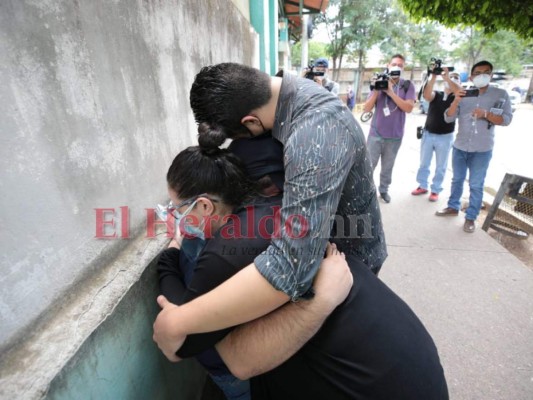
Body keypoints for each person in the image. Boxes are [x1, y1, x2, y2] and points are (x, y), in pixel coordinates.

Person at [157, 135, 449, 399]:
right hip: (407, 363)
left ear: (206, 206)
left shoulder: (227, 253)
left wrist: (169, 259)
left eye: (177, 209)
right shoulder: (283, 205)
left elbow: (185, 342)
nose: (175, 218)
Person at [153, 62, 387, 363]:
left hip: (347, 264)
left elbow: (290, 267)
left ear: (251, 122)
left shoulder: (314, 133)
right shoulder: (286, 94)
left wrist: (179, 320)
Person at [436, 61, 513, 232]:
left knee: (476, 184)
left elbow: (506, 120)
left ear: (491, 75)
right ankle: (452, 206)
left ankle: (471, 217)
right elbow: (448, 118)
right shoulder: (464, 93)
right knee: (456, 179)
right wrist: (456, 100)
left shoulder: (501, 94)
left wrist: (486, 114)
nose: (482, 75)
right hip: (460, 146)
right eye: (478, 72)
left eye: (486, 72)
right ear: (471, 76)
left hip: (482, 149)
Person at [363, 54, 416, 203]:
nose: (396, 67)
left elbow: (409, 107)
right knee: (368, 166)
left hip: (394, 136)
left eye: (400, 65)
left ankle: (384, 190)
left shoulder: (407, 85)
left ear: (403, 67)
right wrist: (378, 89)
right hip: (375, 134)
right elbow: (366, 109)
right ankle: (364, 190)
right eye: (394, 64)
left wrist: (390, 92)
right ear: (388, 65)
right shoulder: (379, 82)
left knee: (388, 167)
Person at [411, 69, 462, 202]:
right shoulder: (437, 95)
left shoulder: (458, 97)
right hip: (428, 134)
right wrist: (433, 76)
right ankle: (422, 185)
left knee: (441, 166)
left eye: (456, 78)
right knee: (424, 163)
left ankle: (435, 189)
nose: (452, 80)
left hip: (445, 137)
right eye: (452, 77)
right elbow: (427, 95)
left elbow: (458, 91)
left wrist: (447, 79)